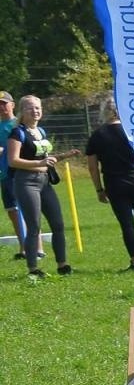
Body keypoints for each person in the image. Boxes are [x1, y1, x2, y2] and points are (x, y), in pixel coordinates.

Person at [85, 97, 134, 271]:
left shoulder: (97, 136)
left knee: (126, 224)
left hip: (114, 183)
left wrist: (99, 189)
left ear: (104, 112)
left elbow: (92, 167)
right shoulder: (133, 132)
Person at [6, 94, 71, 279]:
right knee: (34, 225)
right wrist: (40, 164)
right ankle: (33, 268)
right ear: (22, 111)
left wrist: (64, 155)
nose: (35, 111)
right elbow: (13, 161)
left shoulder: (41, 132)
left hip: (44, 181)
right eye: (30, 108)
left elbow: (45, 159)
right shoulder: (17, 132)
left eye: (38, 108)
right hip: (26, 182)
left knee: (58, 223)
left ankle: (62, 264)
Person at [0, 91, 23, 258]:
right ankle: (23, 246)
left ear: (12, 105)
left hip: (20, 173)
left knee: (25, 210)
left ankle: (34, 248)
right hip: (4, 175)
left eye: (4, 103)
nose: (1, 107)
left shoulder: (18, 124)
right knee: (12, 211)